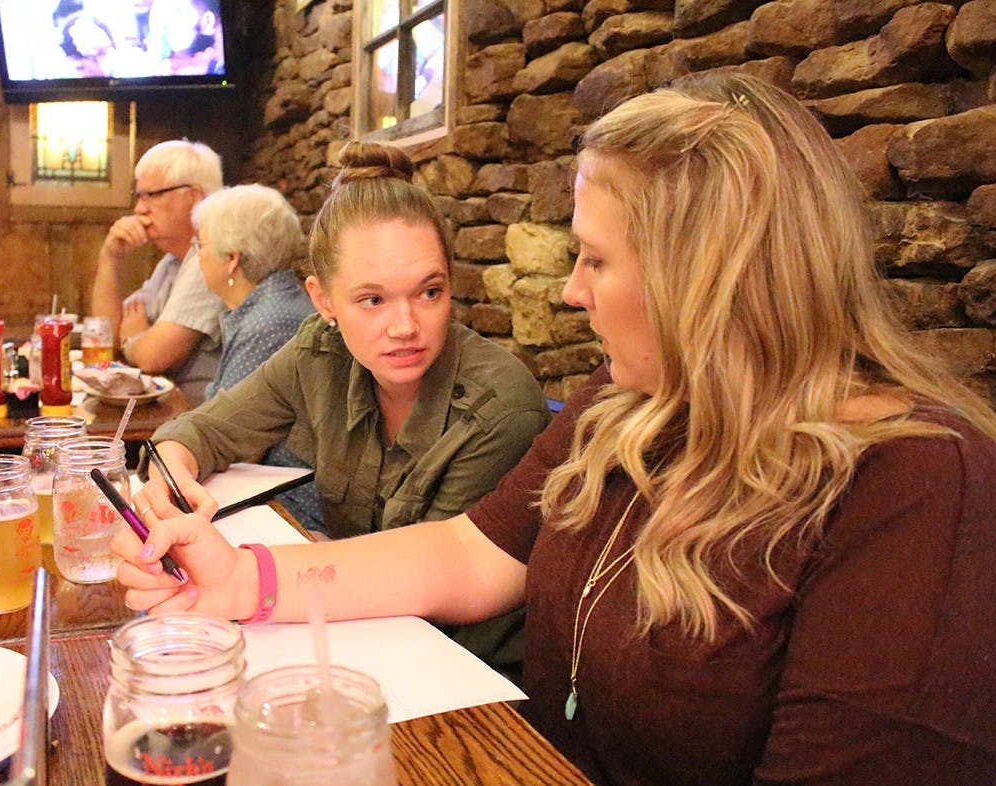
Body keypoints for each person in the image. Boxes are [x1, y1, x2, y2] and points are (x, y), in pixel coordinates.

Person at [114, 74, 996, 785]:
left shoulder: (916, 484)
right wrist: (242, 580)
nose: (572, 291)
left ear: (713, 277)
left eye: (597, 258)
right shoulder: (625, 402)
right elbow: (470, 554)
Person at [130, 141, 551, 674]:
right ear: (322, 299)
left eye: (429, 292)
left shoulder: (501, 405)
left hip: (462, 677)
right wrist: (172, 479)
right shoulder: (321, 352)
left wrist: (249, 578)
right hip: (345, 639)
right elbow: (205, 430)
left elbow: (439, 578)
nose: (405, 326)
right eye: (372, 300)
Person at [192, 183, 318, 529]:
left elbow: (232, 442)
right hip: (265, 491)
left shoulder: (270, 321)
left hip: (289, 508)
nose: (196, 255)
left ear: (232, 258)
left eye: (200, 245)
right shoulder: (264, 305)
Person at [90, 139, 226, 405]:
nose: (139, 209)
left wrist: (133, 338)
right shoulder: (172, 262)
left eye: (152, 195)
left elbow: (153, 357)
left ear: (195, 198)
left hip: (202, 425)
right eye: (138, 196)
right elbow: (106, 335)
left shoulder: (212, 257)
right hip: (171, 414)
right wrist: (109, 257)